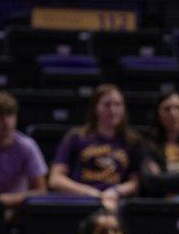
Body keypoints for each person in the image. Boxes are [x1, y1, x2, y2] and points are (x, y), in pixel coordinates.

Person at [48, 84, 140, 212]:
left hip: (115, 200)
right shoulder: (76, 137)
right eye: (107, 104)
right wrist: (88, 192)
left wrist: (115, 191)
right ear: (95, 108)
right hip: (80, 200)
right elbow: (55, 179)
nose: (113, 110)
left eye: (118, 104)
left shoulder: (132, 141)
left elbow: (135, 182)